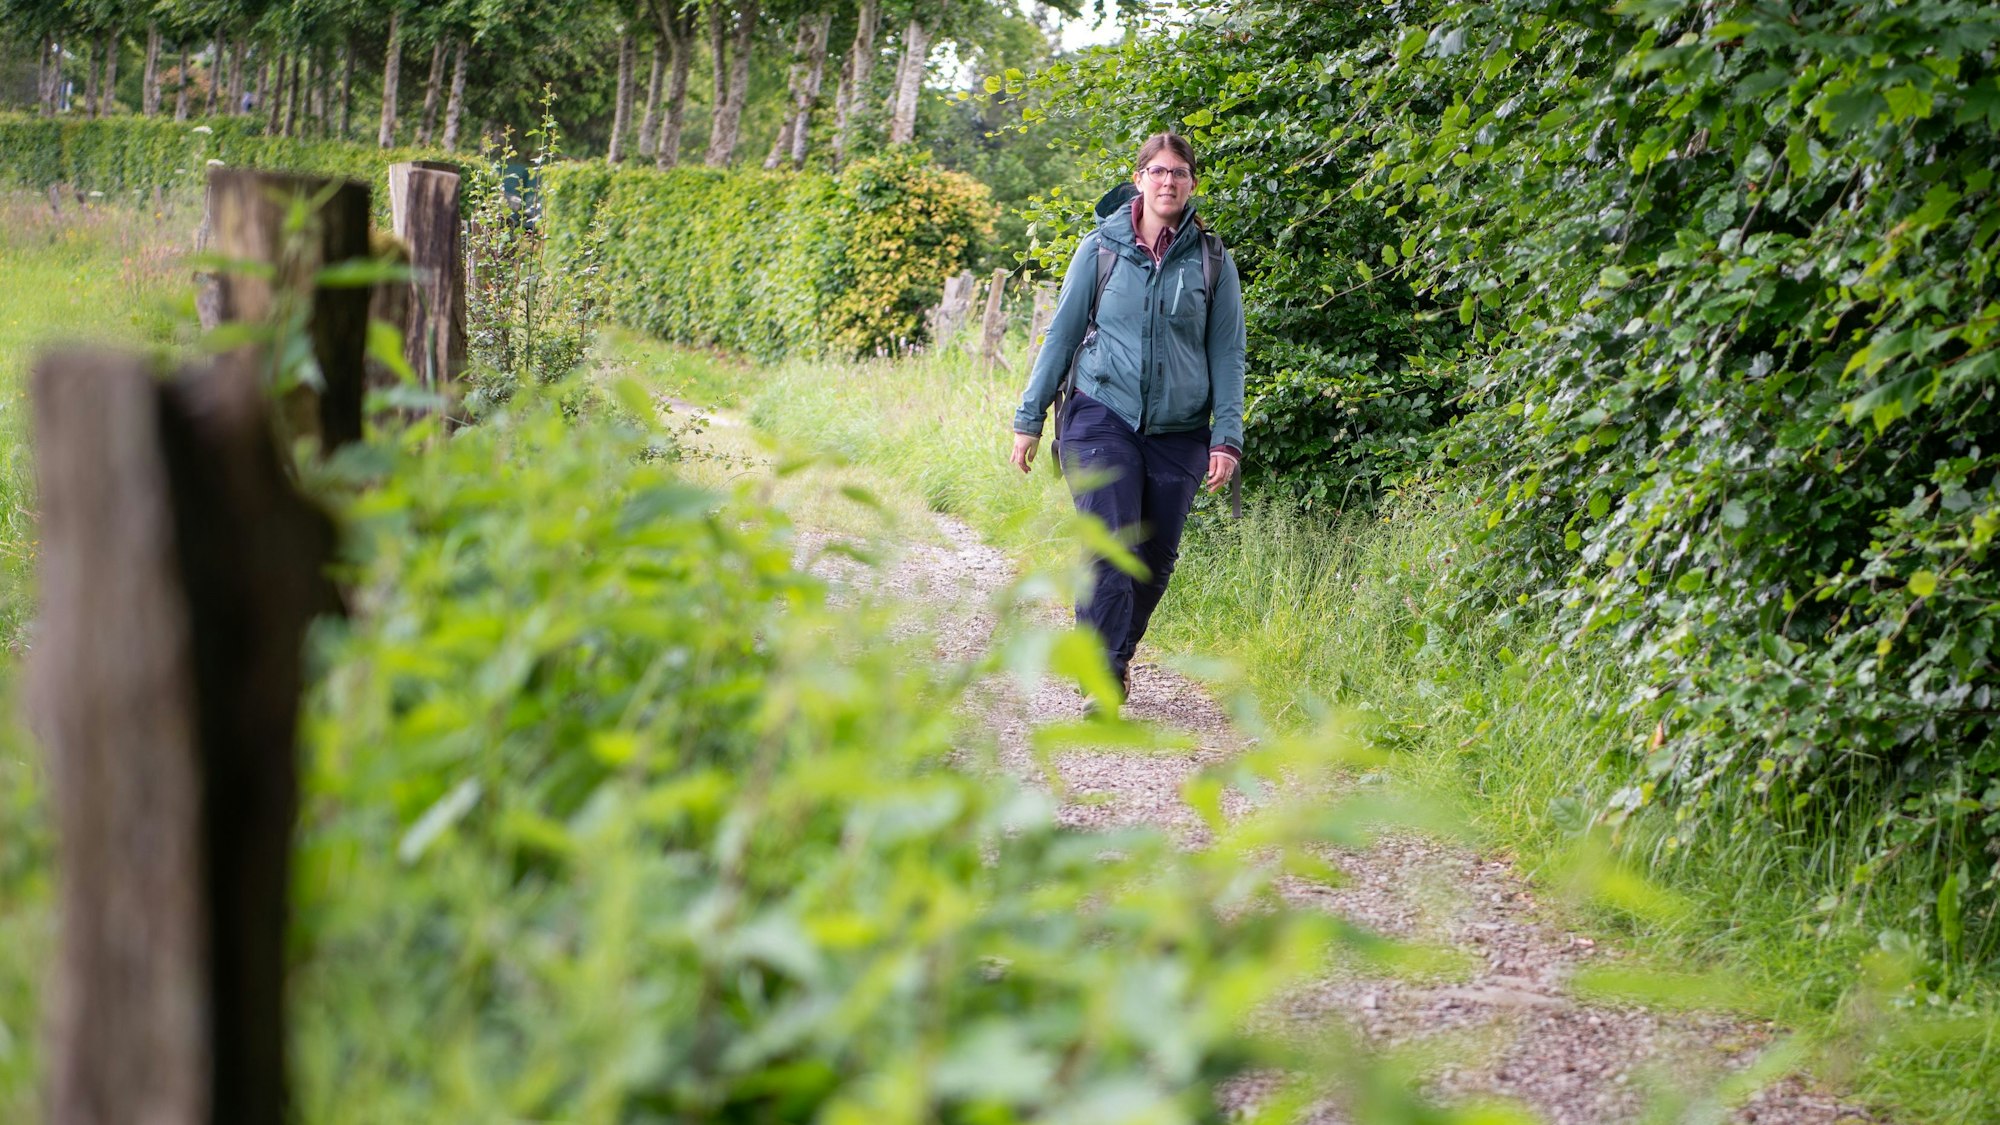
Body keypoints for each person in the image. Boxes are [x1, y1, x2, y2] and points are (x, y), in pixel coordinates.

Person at [1008, 132, 1245, 704]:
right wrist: (1029, 417)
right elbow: (1062, 333)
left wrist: (1227, 436)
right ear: (1139, 179)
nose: (1168, 181)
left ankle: (1113, 651)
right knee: (1112, 544)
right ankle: (1104, 673)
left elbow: (1228, 352)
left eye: (1179, 172)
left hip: (1179, 428)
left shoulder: (1212, 260)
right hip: (1101, 412)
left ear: (1192, 183)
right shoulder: (1100, 249)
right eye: (1158, 171)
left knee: (1155, 558)